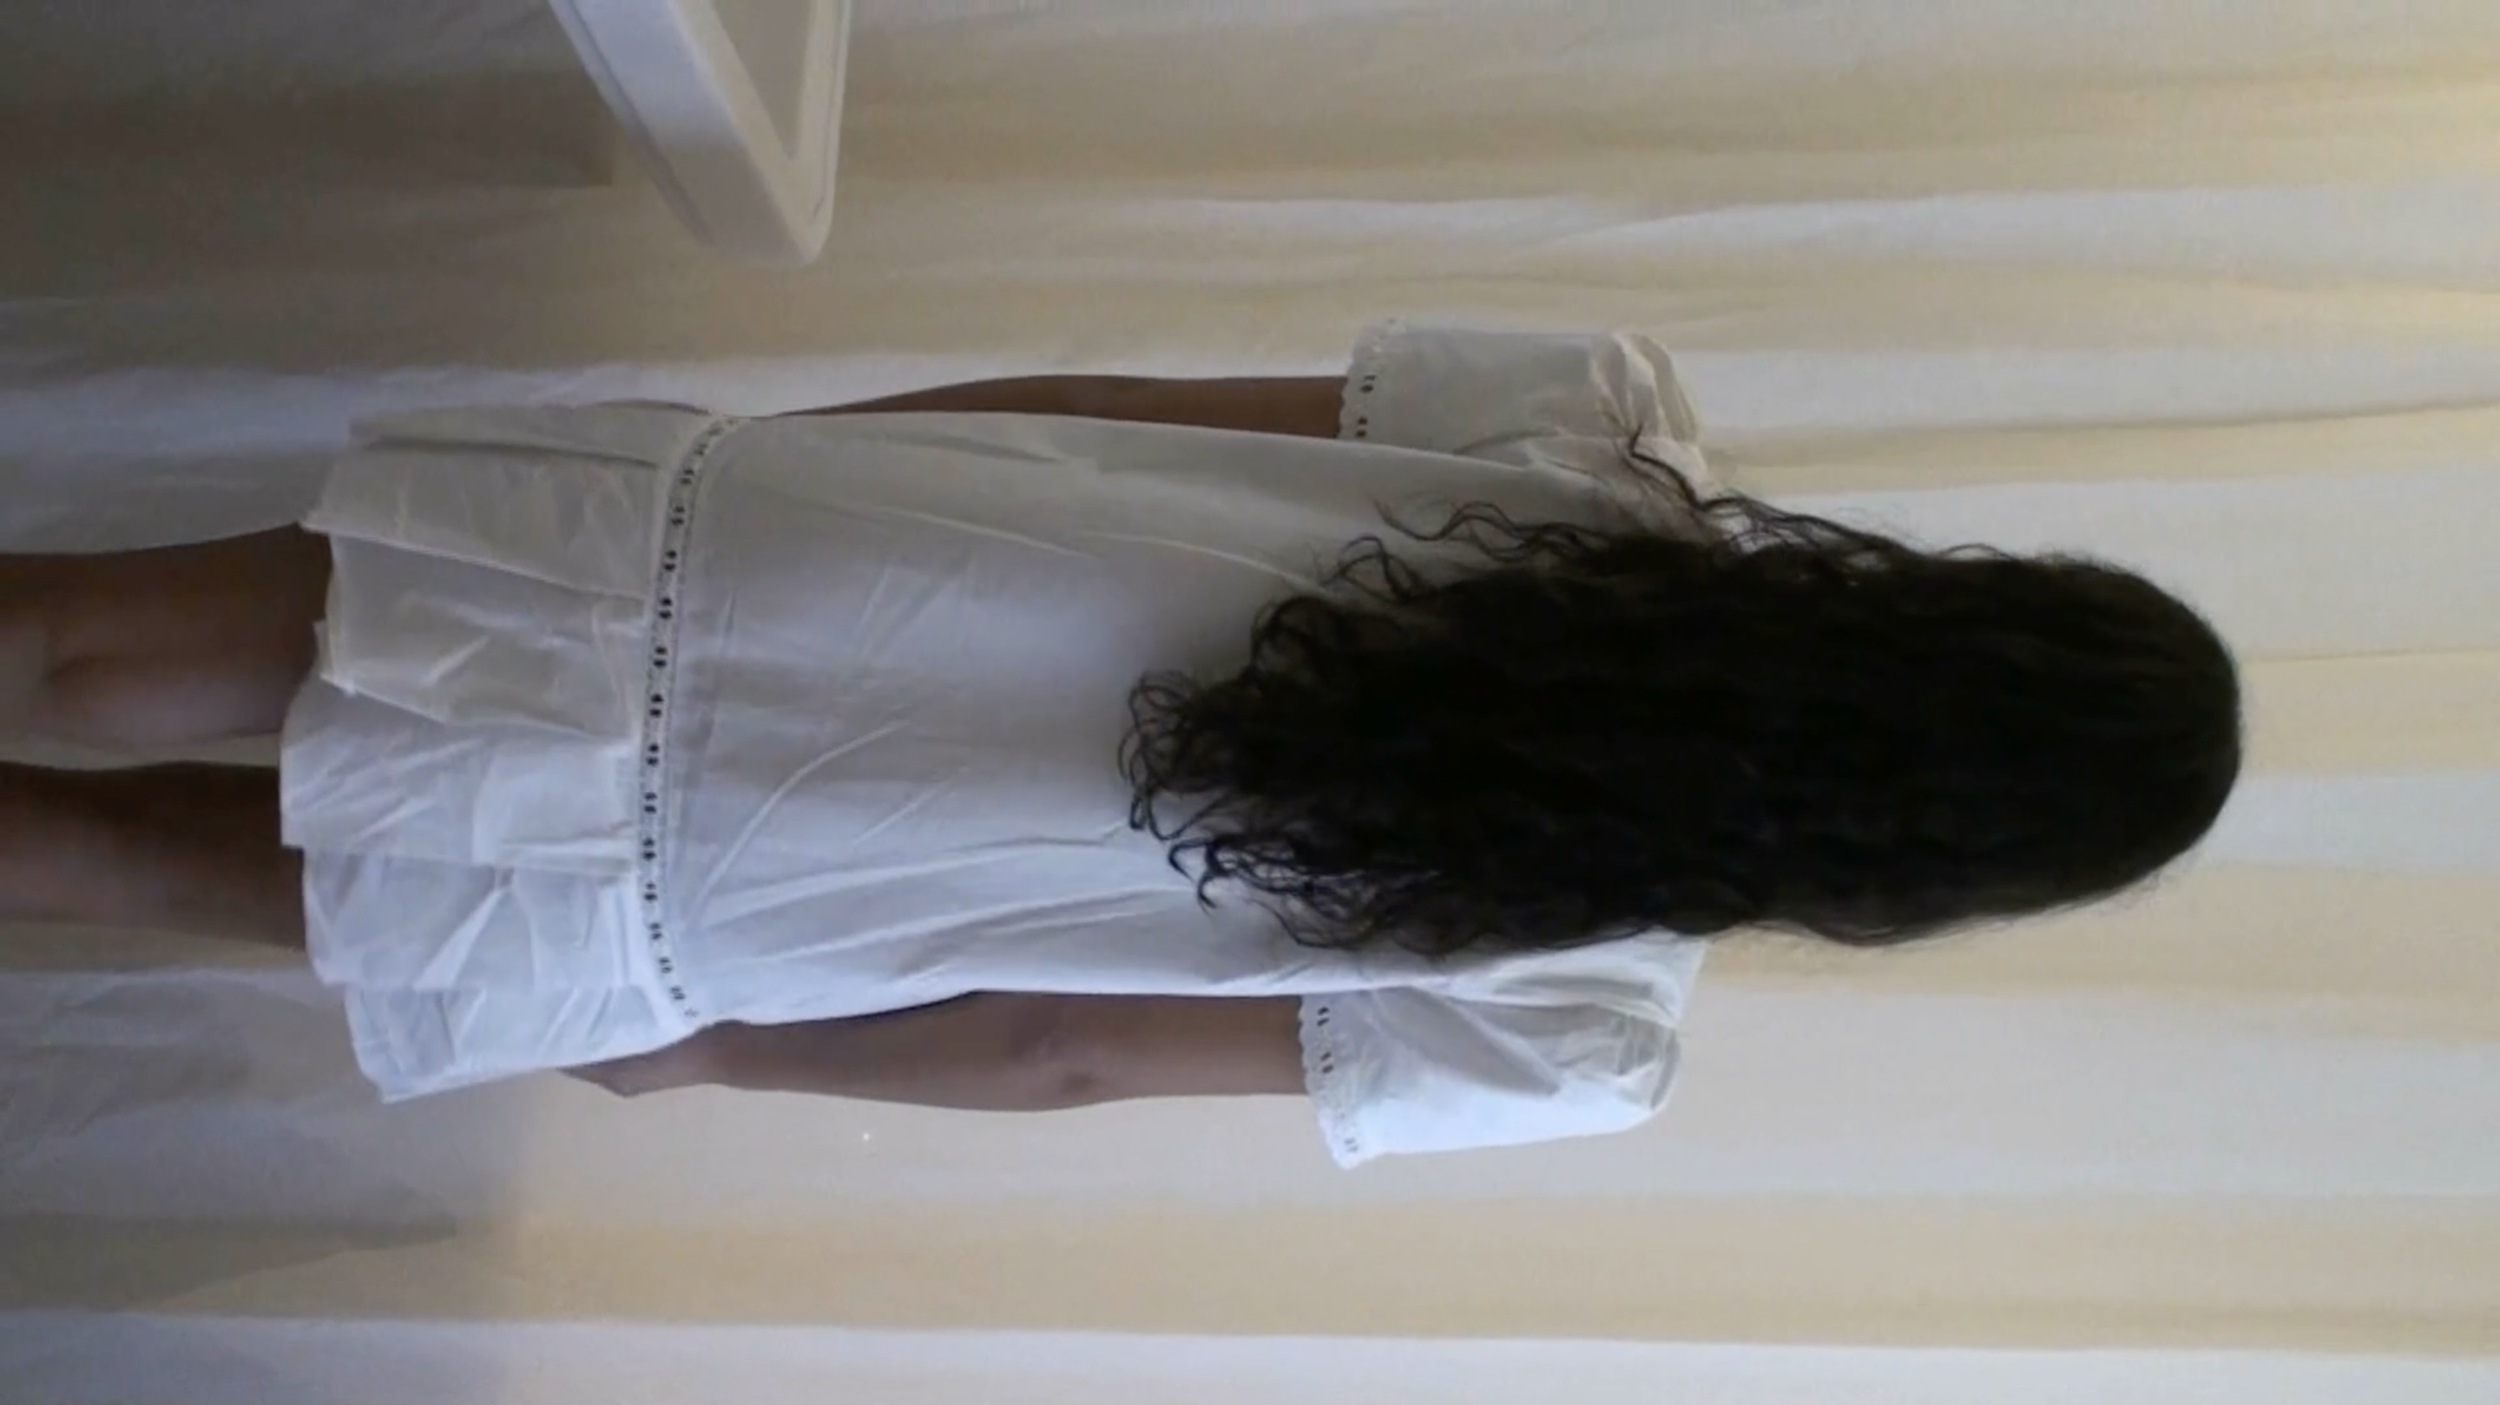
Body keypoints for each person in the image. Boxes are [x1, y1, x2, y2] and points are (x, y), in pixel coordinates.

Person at [0, 324, 2242, 1167]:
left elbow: (1094, 410)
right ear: (1938, 875)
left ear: (1955, 602)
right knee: (96, 859)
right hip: (743, 886)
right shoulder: (1578, 1021)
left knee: (77, 644)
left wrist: (758, 472)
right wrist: (719, 1055)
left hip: (761, 566)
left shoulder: (1589, 437)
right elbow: (1054, 1053)